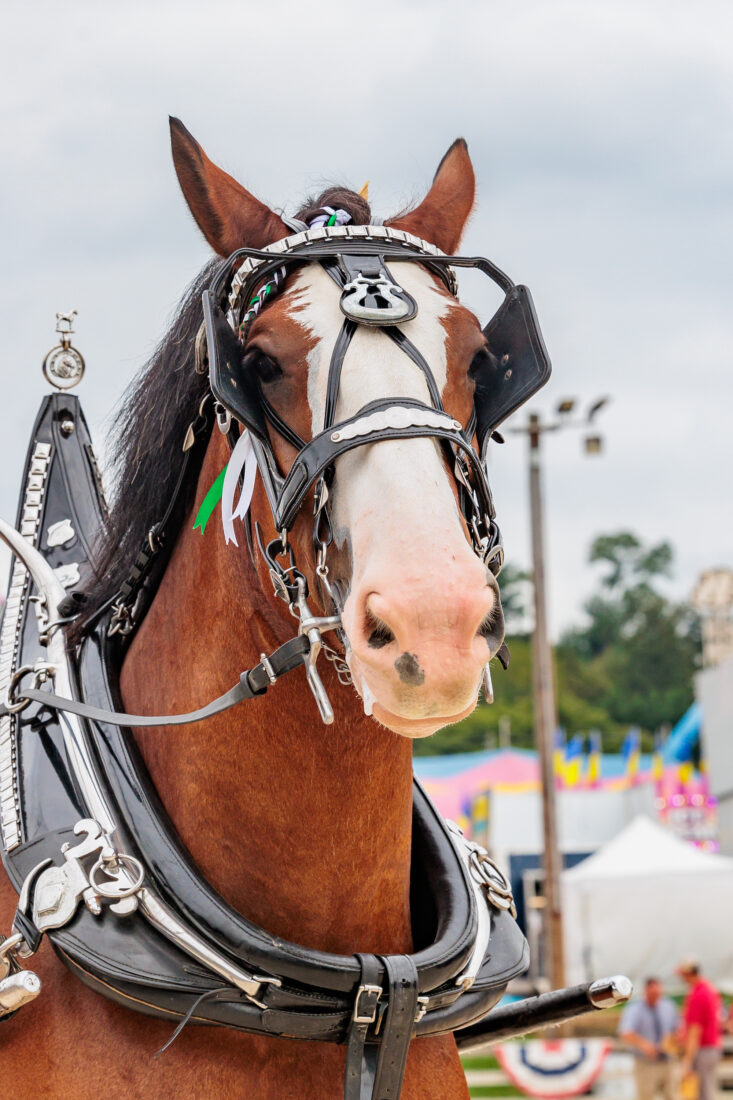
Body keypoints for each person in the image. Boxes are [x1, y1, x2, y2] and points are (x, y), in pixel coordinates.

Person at [619, 977, 679, 1100]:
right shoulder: (635, 1008)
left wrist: (671, 1040)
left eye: (658, 994)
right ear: (645, 991)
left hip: (668, 1060)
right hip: (645, 1062)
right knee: (645, 1096)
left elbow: (677, 1028)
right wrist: (644, 1045)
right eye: (652, 994)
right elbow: (625, 1032)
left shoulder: (668, 1005)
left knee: (673, 1095)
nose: (655, 997)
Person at [678, 958, 722, 1100]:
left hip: (702, 1050)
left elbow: (695, 1030)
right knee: (706, 1091)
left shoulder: (698, 994)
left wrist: (687, 1060)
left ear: (688, 973)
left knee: (699, 1094)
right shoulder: (710, 989)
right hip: (712, 1048)